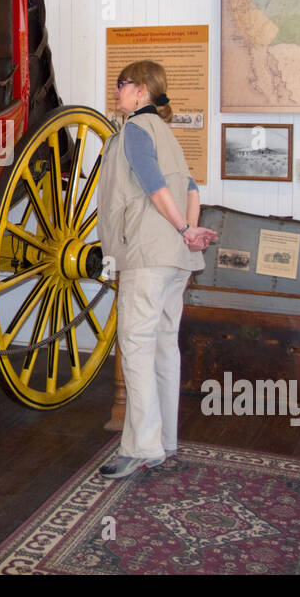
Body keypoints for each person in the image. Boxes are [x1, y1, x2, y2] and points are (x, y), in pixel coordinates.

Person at [97, 60, 217, 479]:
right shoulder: (166, 133)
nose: (116, 91)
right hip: (176, 260)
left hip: (148, 256)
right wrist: (190, 229)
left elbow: (155, 187)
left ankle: (142, 446)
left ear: (142, 91)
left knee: (137, 347)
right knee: (165, 344)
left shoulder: (134, 130)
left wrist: (185, 228)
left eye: (122, 84)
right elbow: (192, 188)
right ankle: (165, 439)